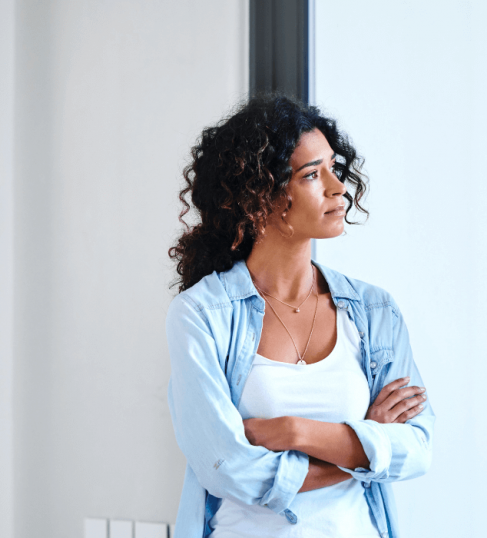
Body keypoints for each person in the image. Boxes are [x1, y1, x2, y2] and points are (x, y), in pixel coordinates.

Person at [166, 95, 434, 538]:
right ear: (258, 195)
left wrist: (293, 431)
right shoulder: (200, 315)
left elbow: (417, 448)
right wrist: (365, 445)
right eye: (312, 175)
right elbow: (228, 470)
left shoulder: (374, 311)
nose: (338, 188)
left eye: (334, 168)